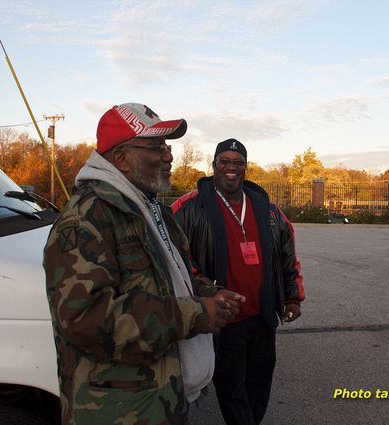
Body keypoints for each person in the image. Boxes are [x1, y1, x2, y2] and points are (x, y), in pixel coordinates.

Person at [43, 103, 244, 425]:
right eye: (156, 147)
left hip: (161, 400)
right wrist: (195, 314)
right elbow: (84, 319)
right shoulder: (88, 217)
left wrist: (209, 294)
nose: (169, 157)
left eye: (167, 147)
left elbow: (172, 278)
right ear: (121, 157)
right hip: (121, 411)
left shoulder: (152, 209)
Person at [171, 139, 305, 425]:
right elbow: (177, 261)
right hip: (223, 321)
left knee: (260, 382)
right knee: (232, 387)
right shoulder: (189, 207)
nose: (231, 167)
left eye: (238, 162)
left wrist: (292, 297)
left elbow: (287, 256)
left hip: (262, 317)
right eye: (225, 161)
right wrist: (208, 292)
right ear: (214, 165)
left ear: (245, 168)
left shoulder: (267, 210)